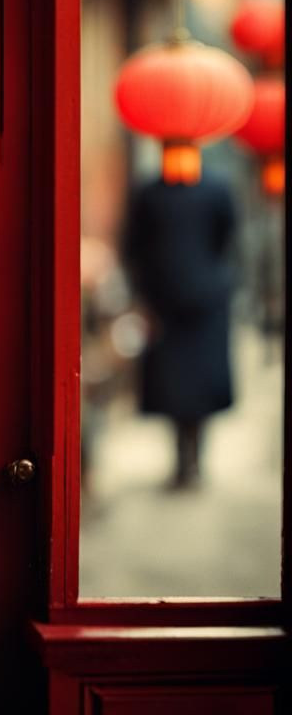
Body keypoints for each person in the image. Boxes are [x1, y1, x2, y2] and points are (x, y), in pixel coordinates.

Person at [120, 171, 238, 489]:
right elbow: (133, 245)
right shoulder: (148, 194)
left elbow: (227, 238)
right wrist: (143, 294)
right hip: (164, 307)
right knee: (173, 389)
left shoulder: (217, 190)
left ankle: (194, 458)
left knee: (200, 387)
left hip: (205, 308)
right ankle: (183, 460)